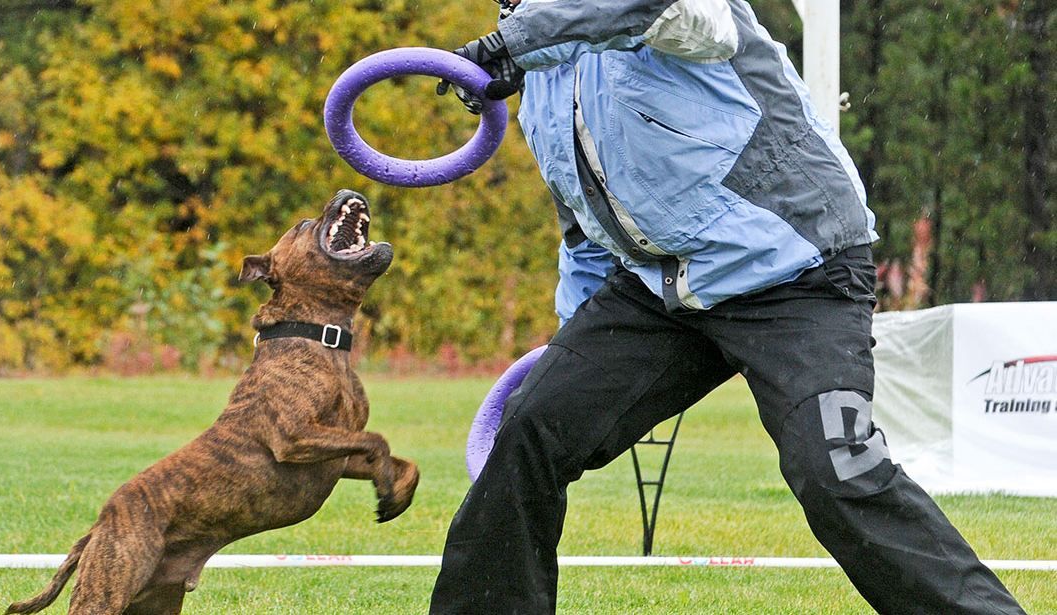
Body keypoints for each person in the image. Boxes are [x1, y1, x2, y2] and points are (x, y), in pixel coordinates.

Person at [430, 1, 1026, 613]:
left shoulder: (689, 10)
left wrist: (515, 43)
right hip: (667, 289)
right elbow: (585, 225)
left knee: (837, 472)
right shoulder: (545, 84)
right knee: (528, 430)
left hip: (797, 269)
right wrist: (571, 346)